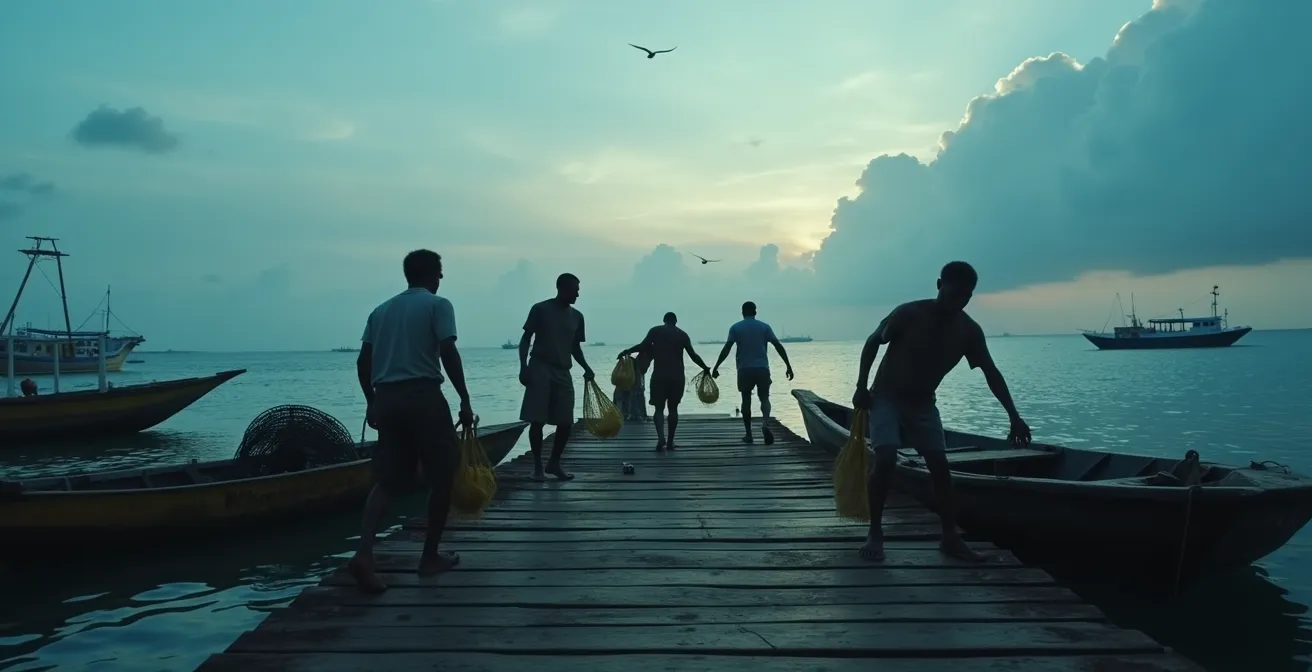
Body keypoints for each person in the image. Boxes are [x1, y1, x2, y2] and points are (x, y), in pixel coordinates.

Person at [852, 261, 1032, 563]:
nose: (957, 301)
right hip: (886, 396)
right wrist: (860, 386)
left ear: (970, 297)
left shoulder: (968, 331)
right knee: (885, 457)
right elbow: (873, 341)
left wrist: (1014, 416)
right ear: (939, 285)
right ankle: (875, 532)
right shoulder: (909, 313)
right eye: (952, 294)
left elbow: (991, 372)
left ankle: (950, 538)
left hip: (923, 403)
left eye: (964, 297)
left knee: (940, 468)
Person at [348, 249, 476, 594]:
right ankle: (429, 557)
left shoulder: (382, 310)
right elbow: (448, 351)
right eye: (441, 271)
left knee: (388, 480)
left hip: (387, 398)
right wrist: (464, 398)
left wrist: (371, 401)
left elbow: (363, 361)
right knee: (444, 475)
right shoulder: (438, 305)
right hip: (423, 396)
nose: (442, 278)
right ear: (433, 274)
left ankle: (364, 553)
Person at [519, 273, 596, 481]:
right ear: (562, 288)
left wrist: (586, 368)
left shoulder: (577, 316)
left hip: (563, 371)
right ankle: (537, 467)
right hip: (540, 367)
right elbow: (526, 338)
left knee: (565, 422)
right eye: (575, 289)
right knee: (537, 420)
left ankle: (554, 463)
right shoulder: (540, 309)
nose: (578, 294)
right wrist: (523, 366)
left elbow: (575, 348)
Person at [619, 312, 710, 451]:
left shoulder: (655, 331)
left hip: (659, 376)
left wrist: (627, 351)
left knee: (659, 409)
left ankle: (661, 437)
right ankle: (671, 441)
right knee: (673, 409)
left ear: (664, 320)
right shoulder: (682, 335)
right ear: (676, 322)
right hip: (677, 376)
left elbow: (642, 346)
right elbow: (693, 355)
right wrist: (705, 367)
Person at [711, 301, 794, 445]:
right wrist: (788, 365)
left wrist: (716, 366)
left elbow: (727, 348)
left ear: (742, 312)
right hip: (762, 368)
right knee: (764, 398)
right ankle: (765, 423)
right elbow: (778, 346)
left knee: (746, 400)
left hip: (744, 369)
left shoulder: (736, 328)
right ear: (755, 312)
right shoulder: (764, 327)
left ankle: (749, 434)